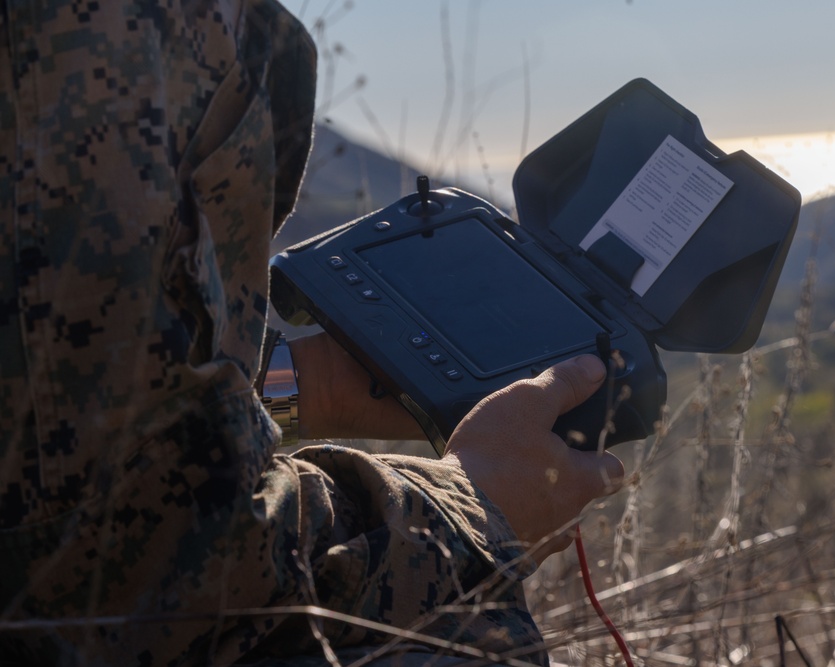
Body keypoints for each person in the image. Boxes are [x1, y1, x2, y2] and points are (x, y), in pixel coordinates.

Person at [0, 1, 624, 665]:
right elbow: (134, 556)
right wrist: (472, 509)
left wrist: (304, 385)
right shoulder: (91, 29)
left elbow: (84, 397)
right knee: (466, 644)